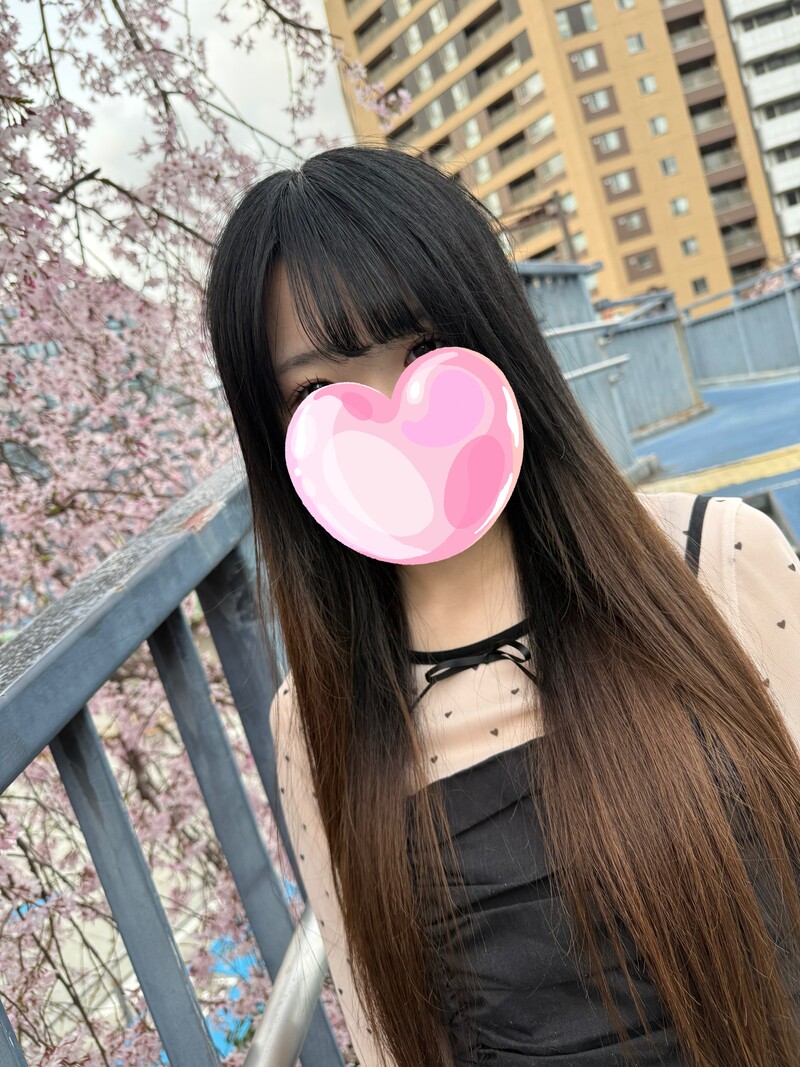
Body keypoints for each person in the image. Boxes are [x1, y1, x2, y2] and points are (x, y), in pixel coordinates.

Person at [203, 144, 800, 1067]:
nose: (392, 416)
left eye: (423, 350)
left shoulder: (718, 560)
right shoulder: (314, 723)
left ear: (497, 337)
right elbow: (389, 1037)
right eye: (318, 389)